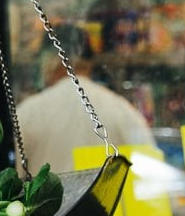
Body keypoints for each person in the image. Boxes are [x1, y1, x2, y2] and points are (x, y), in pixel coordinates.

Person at [12, 23, 153, 175]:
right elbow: (150, 177)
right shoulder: (123, 111)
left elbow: (10, 183)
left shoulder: (29, 113)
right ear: (90, 63)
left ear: (50, 61)